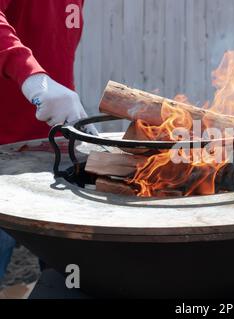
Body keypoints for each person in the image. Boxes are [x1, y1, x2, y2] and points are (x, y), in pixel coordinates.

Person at [0, 0, 95, 281]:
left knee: (65, 278)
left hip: (52, 150)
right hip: (2, 153)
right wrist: (33, 80)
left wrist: (71, 117)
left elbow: (55, 53)